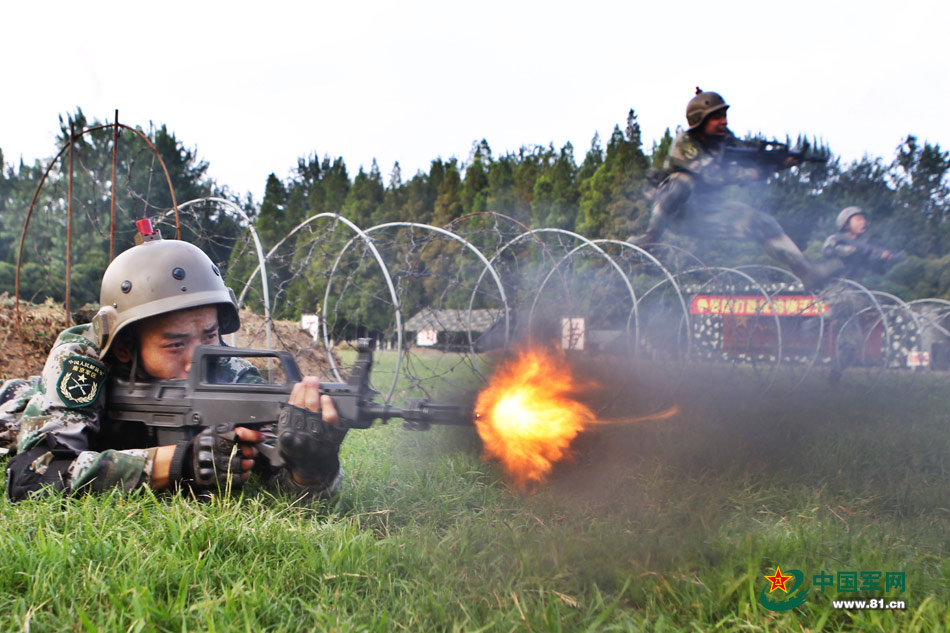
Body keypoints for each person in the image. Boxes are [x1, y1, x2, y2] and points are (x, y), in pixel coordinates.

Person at [2, 220, 345, 501]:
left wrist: (310, 466)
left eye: (209, 335)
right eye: (175, 344)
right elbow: (34, 476)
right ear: (124, 346)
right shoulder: (83, 361)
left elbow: (280, 482)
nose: (198, 359)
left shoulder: (230, 374)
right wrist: (177, 463)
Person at [631, 88, 836, 289]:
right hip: (674, 212)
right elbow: (709, 174)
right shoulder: (685, 143)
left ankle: (807, 271)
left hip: (704, 215)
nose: (724, 121)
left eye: (724, 115)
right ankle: (650, 238)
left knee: (764, 223)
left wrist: (777, 163)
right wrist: (751, 174)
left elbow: (749, 156)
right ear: (699, 120)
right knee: (684, 180)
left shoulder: (723, 143)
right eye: (716, 117)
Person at [819, 206, 900, 380]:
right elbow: (827, 251)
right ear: (846, 224)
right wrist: (853, 250)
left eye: (863, 219)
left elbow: (876, 268)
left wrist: (885, 259)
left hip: (855, 295)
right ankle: (819, 320)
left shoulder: (866, 246)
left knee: (852, 343)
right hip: (837, 291)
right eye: (858, 219)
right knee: (846, 303)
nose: (863, 222)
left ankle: (836, 372)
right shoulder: (837, 238)